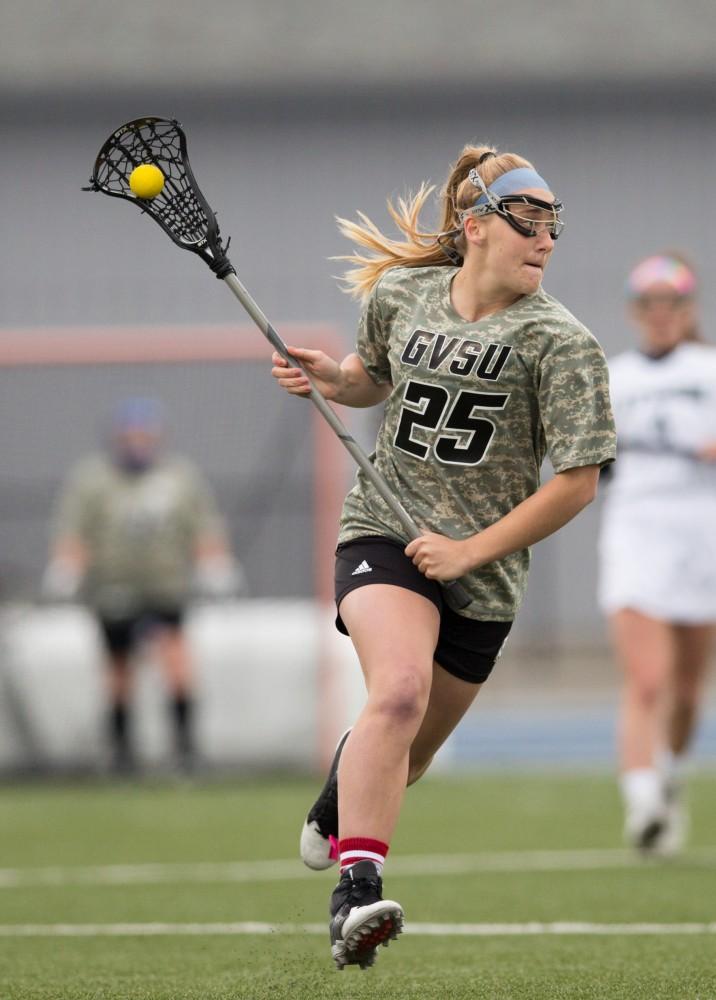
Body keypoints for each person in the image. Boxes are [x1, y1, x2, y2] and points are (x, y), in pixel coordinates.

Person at [271, 144, 616, 970]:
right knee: (395, 691)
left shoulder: (561, 343)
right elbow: (371, 380)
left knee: (411, 750)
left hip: (482, 569)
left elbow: (576, 484)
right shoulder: (402, 293)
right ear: (475, 228)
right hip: (384, 528)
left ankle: (337, 795)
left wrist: (470, 552)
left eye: (552, 225)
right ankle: (357, 893)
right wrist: (335, 378)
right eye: (527, 221)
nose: (545, 240)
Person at [42, 397, 244, 773]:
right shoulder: (94, 481)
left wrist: (214, 562)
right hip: (113, 589)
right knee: (118, 671)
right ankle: (121, 755)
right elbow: (75, 531)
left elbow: (202, 527)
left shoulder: (179, 478)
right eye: (131, 435)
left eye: (144, 435)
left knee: (177, 663)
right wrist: (66, 567)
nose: (138, 442)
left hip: (165, 587)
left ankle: (185, 752)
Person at [597, 253, 716, 855]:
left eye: (672, 303)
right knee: (648, 679)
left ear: (687, 309)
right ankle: (642, 800)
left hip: (703, 536)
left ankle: (669, 774)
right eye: (650, 305)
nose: (661, 315)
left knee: (689, 691)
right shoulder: (612, 376)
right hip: (637, 534)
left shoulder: (710, 369)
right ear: (636, 312)